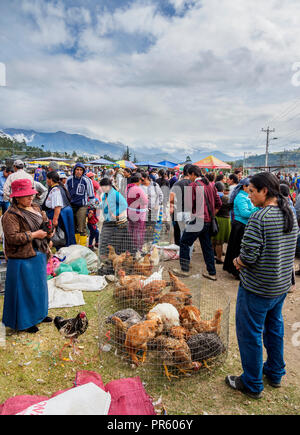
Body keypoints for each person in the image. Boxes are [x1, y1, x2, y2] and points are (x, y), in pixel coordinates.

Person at [225, 172, 298, 399]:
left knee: (250, 334)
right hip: (280, 286)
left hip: (258, 289)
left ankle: (252, 383)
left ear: (264, 191)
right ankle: (275, 373)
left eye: (252, 192)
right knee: (274, 328)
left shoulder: (261, 217)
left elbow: (248, 256)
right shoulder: (289, 212)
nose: (249, 196)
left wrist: (237, 261)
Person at [1, 179, 54, 333]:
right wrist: (34, 234)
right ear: (16, 197)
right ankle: (25, 322)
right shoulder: (10, 215)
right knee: (24, 291)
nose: (31, 198)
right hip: (22, 258)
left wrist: (49, 232)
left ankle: (40, 315)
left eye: (31, 194)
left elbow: (45, 222)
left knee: (39, 288)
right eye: (26, 196)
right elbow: (12, 238)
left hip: (38, 254)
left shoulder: (36, 208)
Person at [173, 165, 222, 280]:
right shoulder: (211, 185)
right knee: (207, 247)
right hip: (208, 221)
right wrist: (210, 215)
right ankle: (212, 273)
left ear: (193, 174)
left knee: (184, 242)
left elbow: (189, 206)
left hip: (197, 220)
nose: (189, 177)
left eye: (189, 175)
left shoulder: (193, 186)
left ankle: (184, 270)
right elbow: (219, 204)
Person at [223, 178, 258, 278]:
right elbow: (244, 213)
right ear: (244, 187)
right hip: (240, 225)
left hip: (242, 225)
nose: (251, 189)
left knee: (237, 248)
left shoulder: (245, 195)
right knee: (237, 249)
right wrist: (257, 208)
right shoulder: (241, 197)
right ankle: (236, 271)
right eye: (250, 187)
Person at [99, 178, 129, 261]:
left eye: (104, 186)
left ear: (109, 186)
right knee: (104, 239)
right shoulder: (105, 194)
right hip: (107, 220)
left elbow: (124, 204)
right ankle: (104, 257)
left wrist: (115, 213)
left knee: (110, 240)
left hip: (114, 221)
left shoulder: (115, 194)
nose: (102, 188)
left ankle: (107, 257)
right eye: (101, 187)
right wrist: (99, 205)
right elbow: (104, 204)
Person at [43, 171, 76, 247]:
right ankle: (69, 247)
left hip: (61, 214)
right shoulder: (59, 187)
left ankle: (65, 249)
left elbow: (58, 205)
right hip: (64, 212)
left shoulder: (56, 190)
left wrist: (55, 219)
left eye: (47, 179)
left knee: (62, 234)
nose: (46, 181)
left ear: (50, 179)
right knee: (67, 232)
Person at [66, 163, 95, 246]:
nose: (79, 171)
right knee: (73, 226)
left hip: (82, 206)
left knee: (81, 226)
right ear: (74, 170)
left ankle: (82, 247)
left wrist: (91, 209)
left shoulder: (87, 180)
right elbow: (66, 193)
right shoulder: (69, 180)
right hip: (71, 206)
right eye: (77, 169)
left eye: (81, 170)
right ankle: (75, 246)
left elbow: (91, 196)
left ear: (83, 171)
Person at [169, 164, 192, 246]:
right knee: (189, 231)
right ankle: (187, 247)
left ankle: (178, 247)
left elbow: (171, 199)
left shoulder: (177, 184)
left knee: (177, 231)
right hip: (190, 212)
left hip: (178, 211)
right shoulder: (195, 184)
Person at [126, 173, 148, 252]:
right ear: (138, 181)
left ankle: (132, 247)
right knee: (139, 231)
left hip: (129, 210)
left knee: (131, 229)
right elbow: (145, 201)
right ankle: (138, 248)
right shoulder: (137, 189)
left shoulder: (127, 188)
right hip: (138, 212)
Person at [211, 181, 231, 264]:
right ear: (223, 189)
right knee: (220, 241)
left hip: (214, 218)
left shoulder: (212, 196)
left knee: (213, 239)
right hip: (223, 220)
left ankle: (212, 255)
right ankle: (219, 258)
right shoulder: (226, 198)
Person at [140, 172, 163, 243]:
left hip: (154, 210)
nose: (141, 181)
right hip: (144, 211)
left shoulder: (155, 185)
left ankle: (152, 243)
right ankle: (145, 243)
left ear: (146, 178)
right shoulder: (140, 186)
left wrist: (157, 204)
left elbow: (160, 195)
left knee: (153, 226)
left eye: (142, 180)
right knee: (144, 227)